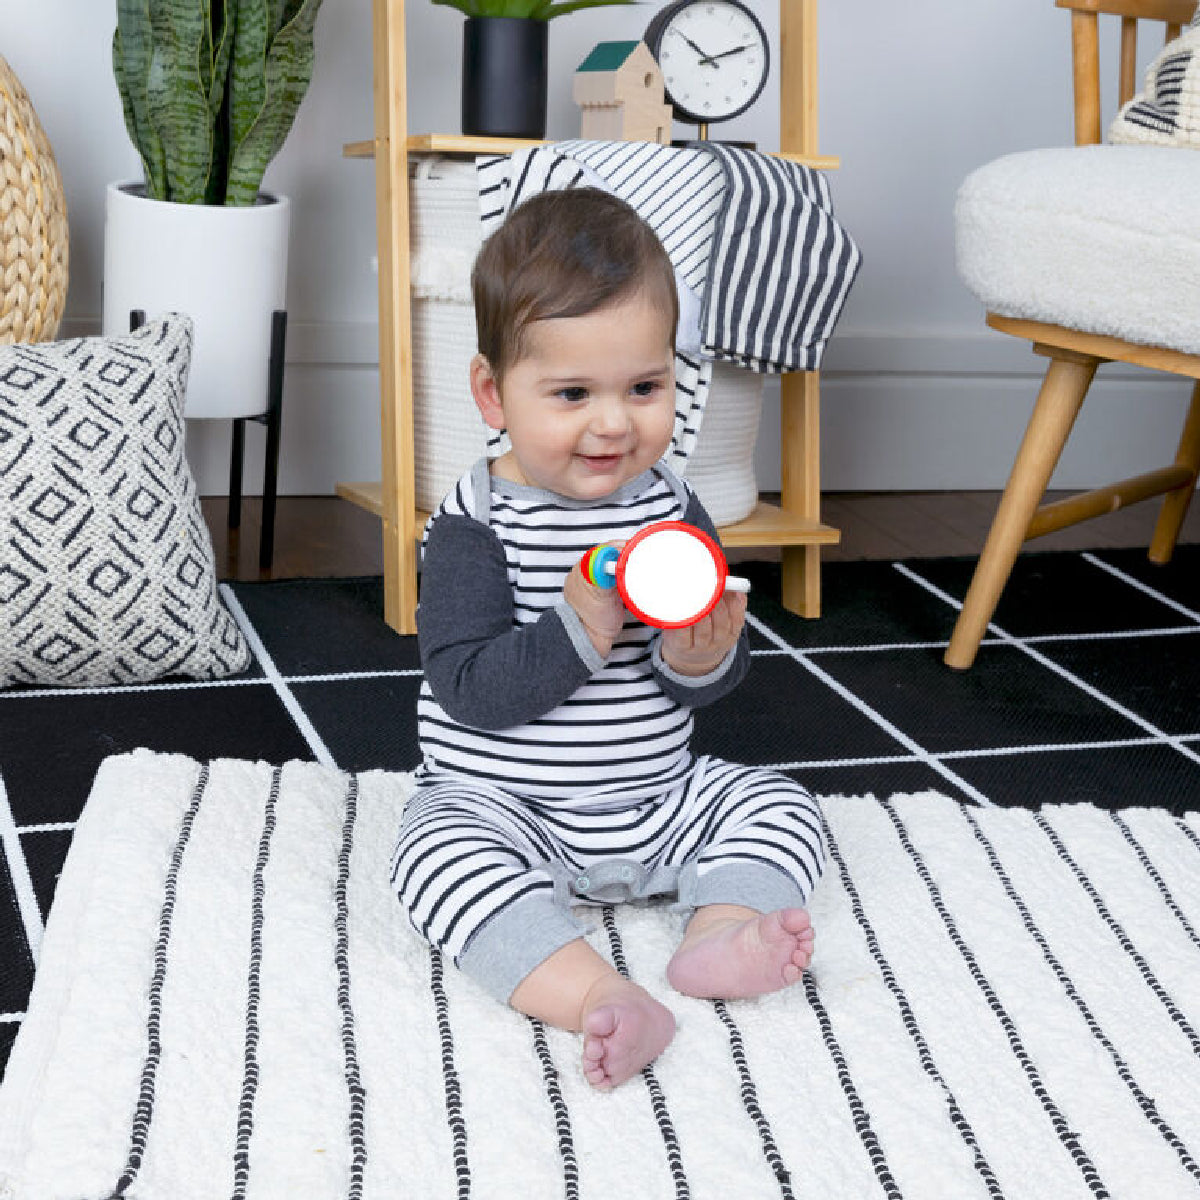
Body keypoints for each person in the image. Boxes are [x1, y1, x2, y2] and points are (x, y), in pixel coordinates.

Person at [393, 188, 825, 1090]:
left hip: (657, 798)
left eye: (644, 387)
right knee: (432, 856)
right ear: (492, 393)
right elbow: (470, 692)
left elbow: (693, 681)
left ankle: (717, 937)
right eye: (572, 393)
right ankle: (594, 993)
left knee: (779, 802)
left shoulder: (671, 506)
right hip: (508, 809)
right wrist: (579, 627)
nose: (613, 422)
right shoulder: (475, 523)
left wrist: (698, 658)